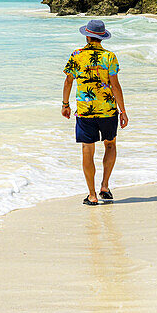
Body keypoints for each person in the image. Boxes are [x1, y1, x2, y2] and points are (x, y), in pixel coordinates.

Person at [61, 19, 128, 205]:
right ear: (102, 38)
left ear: (87, 35)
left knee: (87, 150)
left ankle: (92, 195)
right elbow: (115, 85)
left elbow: (68, 81)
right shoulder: (110, 57)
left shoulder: (76, 55)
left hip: (85, 112)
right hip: (108, 111)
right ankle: (104, 187)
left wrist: (65, 104)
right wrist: (123, 111)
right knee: (110, 145)